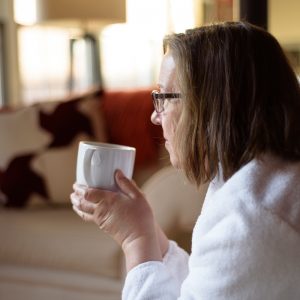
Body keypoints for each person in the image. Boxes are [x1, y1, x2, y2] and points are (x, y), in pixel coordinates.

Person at [70, 21, 300, 299]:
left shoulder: (250, 223)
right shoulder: (270, 181)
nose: (155, 116)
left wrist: (136, 241)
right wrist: (148, 229)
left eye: (165, 98)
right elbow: (208, 283)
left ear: (213, 105)